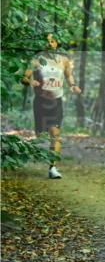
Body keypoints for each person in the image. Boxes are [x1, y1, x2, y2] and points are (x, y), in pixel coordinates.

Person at [22, 33, 81, 179]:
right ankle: (33, 152)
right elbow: (24, 77)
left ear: (56, 44)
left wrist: (72, 85)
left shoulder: (64, 60)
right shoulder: (36, 59)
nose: (49, 44)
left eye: (52, 41)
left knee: (55, 134)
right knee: (40, 135)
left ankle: (52, 168)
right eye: (47, 41)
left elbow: (68, 75)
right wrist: (30, 82)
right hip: (40, 101)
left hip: (56, 101)